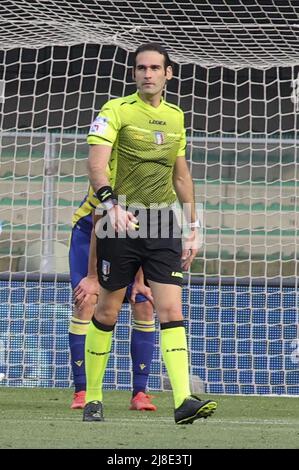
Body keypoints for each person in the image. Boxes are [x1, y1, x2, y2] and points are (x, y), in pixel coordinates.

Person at [83, 42, 217, 424]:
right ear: (134, 74)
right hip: (118, 216)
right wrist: (112, 206)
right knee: (107, 310)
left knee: (170, 308)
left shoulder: (176, 117)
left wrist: (193, 227)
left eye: (155, 68)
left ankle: (183, 401)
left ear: (167, 74)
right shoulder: (115, 110)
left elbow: (181, 175)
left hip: (162, 222)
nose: (147, 74)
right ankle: (93, 399)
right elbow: (96, 166)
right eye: (141, 68)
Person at [68, 185, 157, 411]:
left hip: (137, 234)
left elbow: (150, 227)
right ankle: (82, 391)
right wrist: (92, 276)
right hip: (92, 232)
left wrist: (140, 279)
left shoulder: (153, 177)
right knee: (86, 300)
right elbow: (100, 219)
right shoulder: (107, 167)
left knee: (144, 303)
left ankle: (140, 393)